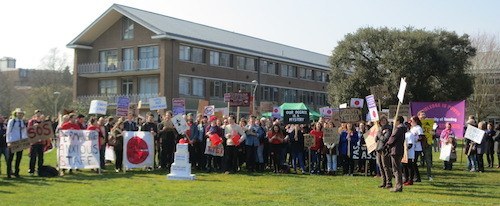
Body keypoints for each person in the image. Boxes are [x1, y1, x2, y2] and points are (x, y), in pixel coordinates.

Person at [6, 108, 28, 178]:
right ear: (16, 114)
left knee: (19, 158)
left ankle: (17, 172)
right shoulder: (12, 121)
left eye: (21, 114)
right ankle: (9, 173)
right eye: (19, 113)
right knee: (10, 158)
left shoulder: (22, 121)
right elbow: (8, 131)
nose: (20, 115)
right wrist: (8, 141)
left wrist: (25, 141)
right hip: (13, 141)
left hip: (20, 141)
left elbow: (24, 131)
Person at [386, 116, 406, 192]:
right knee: (397, 169)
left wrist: (387, 144)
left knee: (396, 169)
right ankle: (398, 185)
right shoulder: (402, 128)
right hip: (399, 150)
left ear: (398, 121)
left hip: (396, 150)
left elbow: (392, 139)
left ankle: (398, 186)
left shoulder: (398, 129)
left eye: (394, 120)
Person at [376, 116, 393, 188]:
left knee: (385, 166)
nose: (383, 122)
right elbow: (376, 139)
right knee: (380, 166)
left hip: (384, 149)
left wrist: (380, 134)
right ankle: (384, 181)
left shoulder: (388, 129)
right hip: (379, 148)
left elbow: (384, 139)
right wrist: (379, 134)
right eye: (381, 120)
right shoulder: (380, 129)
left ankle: (389, 182)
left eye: (384, 120)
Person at [27, 110, 45, 176]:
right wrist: (33, 127)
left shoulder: (42, 122)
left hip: (41, 142)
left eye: (39, 114)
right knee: (33, 157)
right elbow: (29, 130)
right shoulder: (31, 121)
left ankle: (40, 170)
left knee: (41, 157)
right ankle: (31, 170)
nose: (38, 115)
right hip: (34, 142)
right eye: (37, 114)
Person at [403, 121, 415, 186]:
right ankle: (406, 178)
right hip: (404, 154)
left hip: (409, 153)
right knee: (404, 166)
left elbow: (410, 144)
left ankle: (410, 180)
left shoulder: (410, 134)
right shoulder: (404, 134)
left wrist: (406, 150)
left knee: (409, 167)